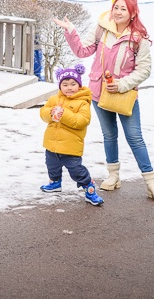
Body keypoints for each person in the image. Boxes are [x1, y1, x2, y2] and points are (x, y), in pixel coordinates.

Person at [53, 0, 154, 204]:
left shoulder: (138, 38)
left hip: (124, 95)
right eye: (116, 7)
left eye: (123, 9)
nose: (117, 12)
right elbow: (82, 50)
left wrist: (122, 84)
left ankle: (151, 182)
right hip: (99, 92)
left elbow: (144, 69)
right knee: (109, 135)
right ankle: (113, 175)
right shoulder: (102, 28)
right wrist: (71, 31)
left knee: (134, 137)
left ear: (132, 13)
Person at [38, 64, 103, 206]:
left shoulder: (82, 103)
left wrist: (63, 114)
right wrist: (50, 113)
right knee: (52, 166)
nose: (69, 87)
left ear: (79, 85)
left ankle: (89, 188)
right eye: (65, 84)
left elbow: (81, 121)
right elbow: (43, 113)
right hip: (52, 143)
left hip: (70, 146)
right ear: (60, 86)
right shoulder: (54, 99)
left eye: (73, 84)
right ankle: (55, 183)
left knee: (76, 170)